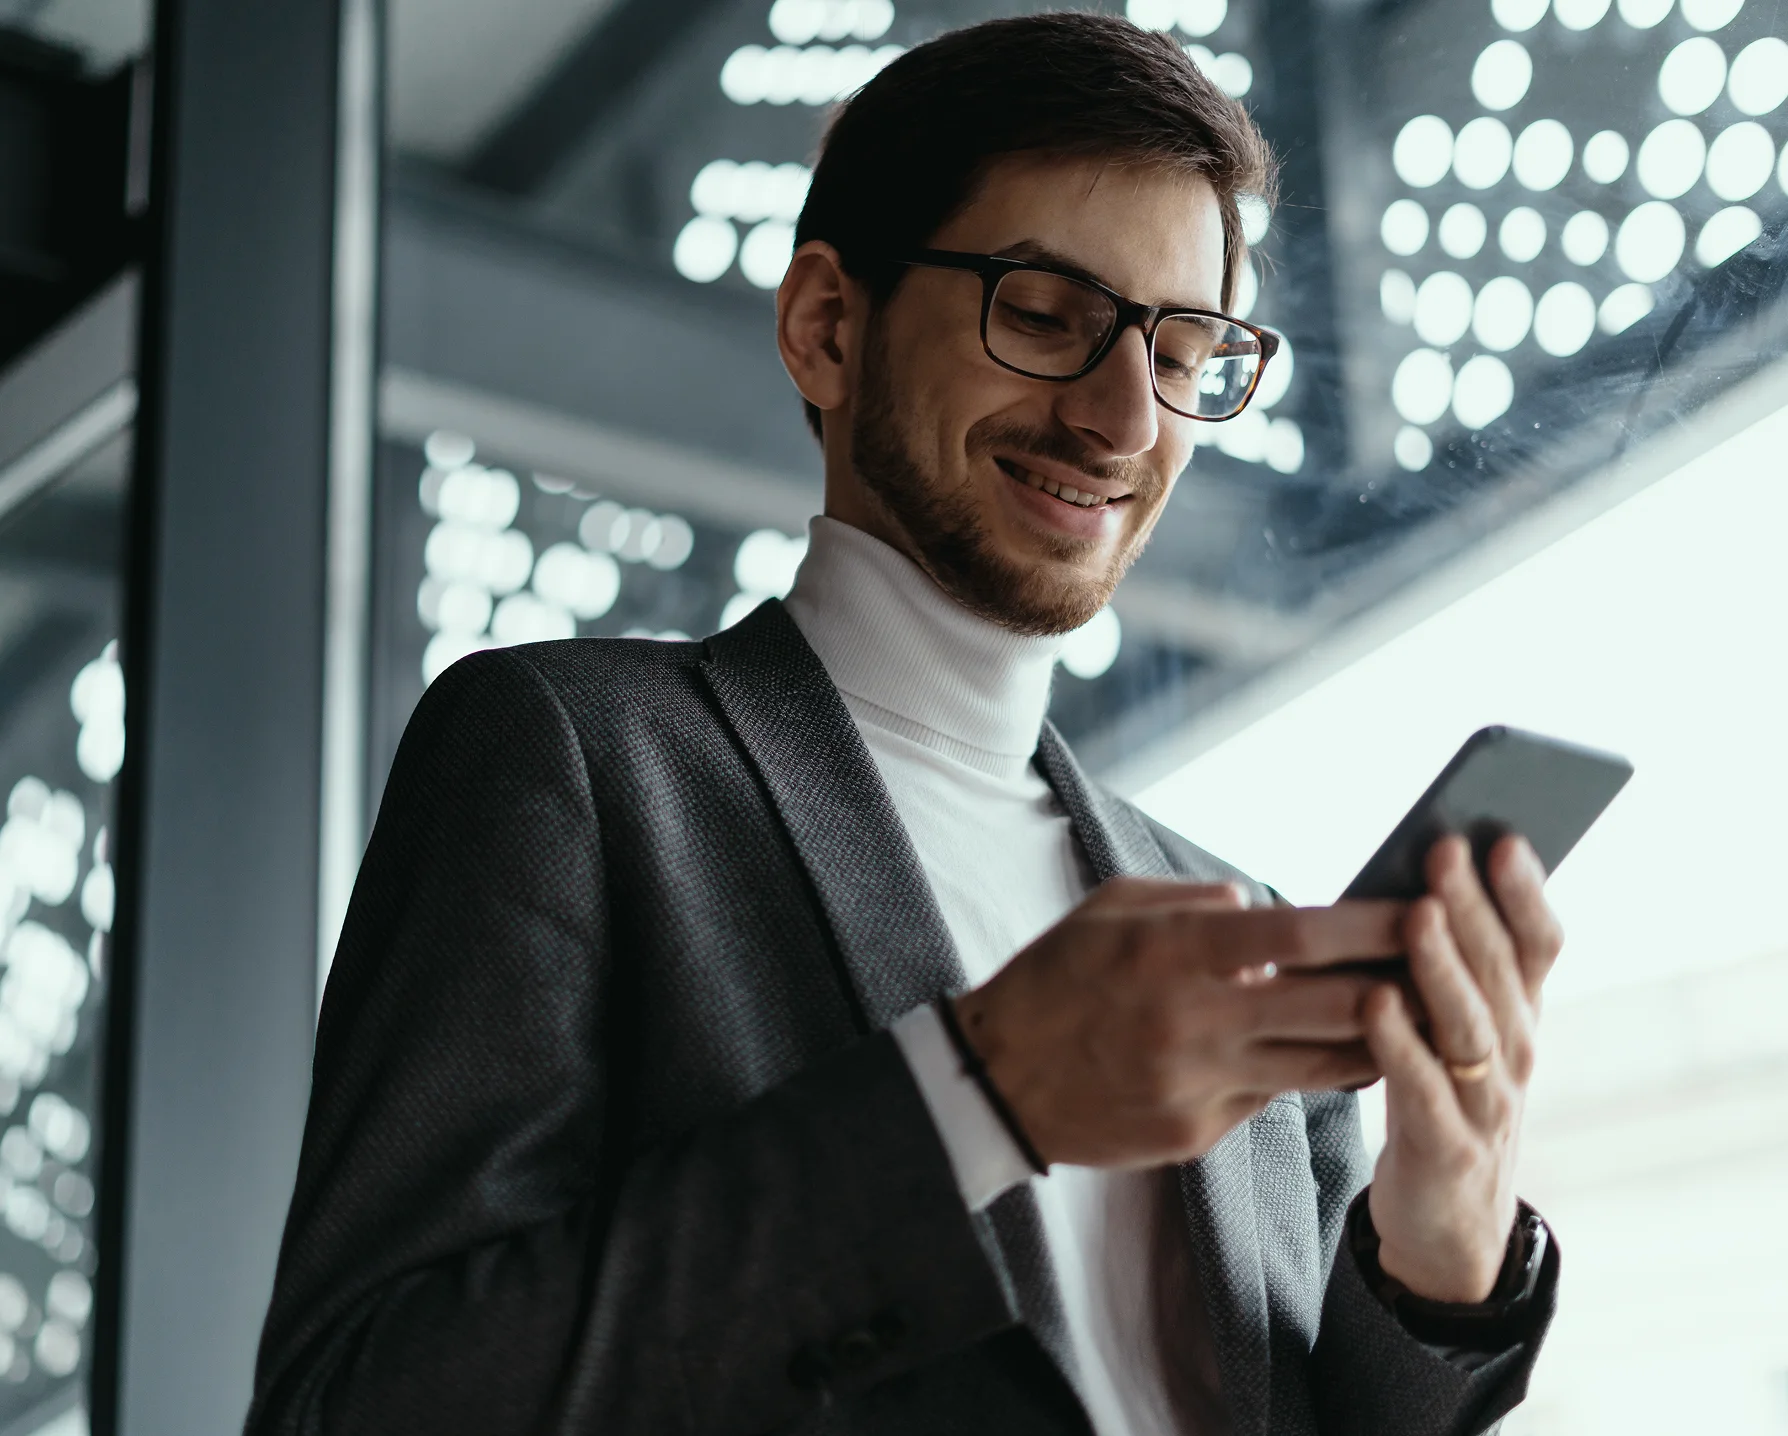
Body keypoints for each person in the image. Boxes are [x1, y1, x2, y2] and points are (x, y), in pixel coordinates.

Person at [246, 13, 1561, 1435]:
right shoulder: (576, 760)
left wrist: (1440, 1263)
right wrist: (975, 1095)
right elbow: (359, 1402)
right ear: (827, 326)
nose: (1125, 419)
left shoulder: (1235, 926)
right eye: (1046, 317)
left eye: (1186, 353)